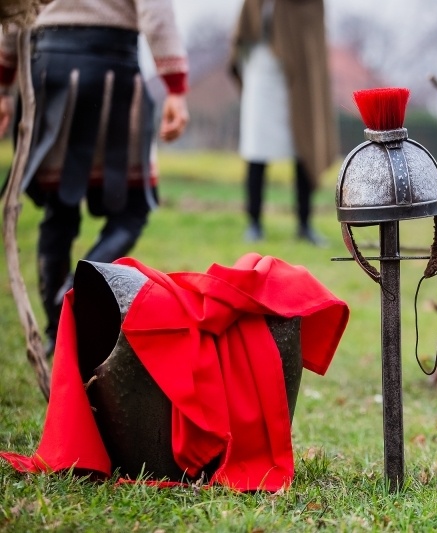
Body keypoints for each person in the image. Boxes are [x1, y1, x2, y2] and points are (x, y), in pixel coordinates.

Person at [0, 0, 190, 355]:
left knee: (58, 211)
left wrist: (3, 81)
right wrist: (175, 86)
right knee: (132, 211)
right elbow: (155, 8)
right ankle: (71, 298)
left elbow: (12, 9)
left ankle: (59, 323)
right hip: (111, 70)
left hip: (47, 69)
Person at [229, 0, 337, 246]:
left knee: (304, 148)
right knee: (257, 150)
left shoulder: (310, 4)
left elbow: (313, 41)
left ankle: (304, 225)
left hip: (300, 80)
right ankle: (254, 223)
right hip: (262, 71)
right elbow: (245, 30)